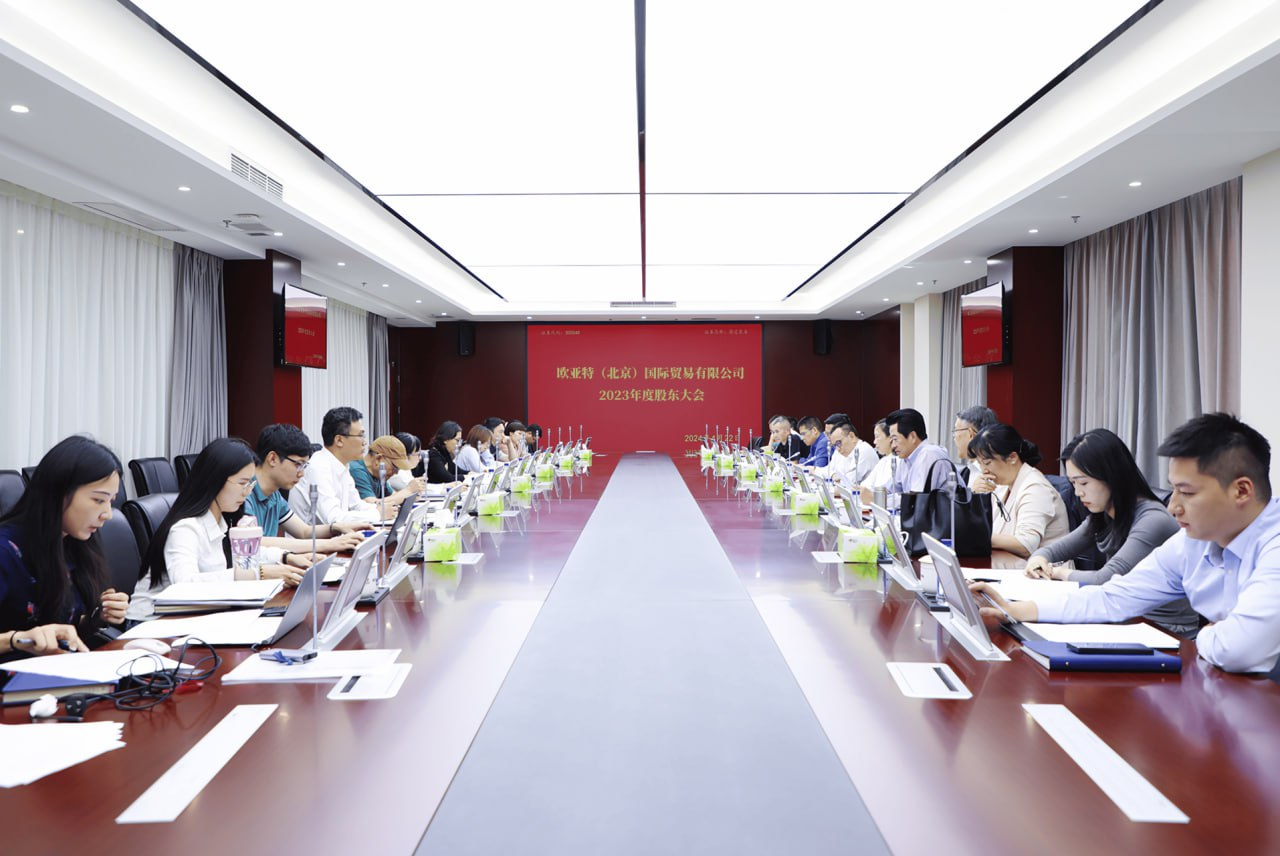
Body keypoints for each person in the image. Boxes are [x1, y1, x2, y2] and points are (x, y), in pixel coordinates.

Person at [974, 413, 1280, 674]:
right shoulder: (1192, 542)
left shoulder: (1272, 547)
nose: (1173, 506)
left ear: (1241, 491)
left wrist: (1205, 636)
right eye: (1173, 489)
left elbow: (1240, 650)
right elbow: (1112, 596)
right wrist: (1014, 610)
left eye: (1187, 492)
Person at [1023, 428, 1198, 637]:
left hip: (1166, 630)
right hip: (1126, 618)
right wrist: (1039, 560)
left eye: (1084, 483)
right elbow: (1050, 551)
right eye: (1073, 483)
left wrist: (1057, 572)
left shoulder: (1153, 520)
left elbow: (1105, 579)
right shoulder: (1102, 516)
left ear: (1111, 476)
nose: (1078, 492)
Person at [130, 438, 302, 621]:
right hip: (152, 624)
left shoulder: (222, 520)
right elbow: (185, 586)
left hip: (194, 616)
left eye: (250, 484)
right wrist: (258, 573)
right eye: (242, 483)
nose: (247, 492)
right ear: (216, 480)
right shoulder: (186, 529)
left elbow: (244, 554)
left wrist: (286, 557)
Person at [0, 436, 128, 656]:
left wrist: (99, 615)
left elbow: (62, 624)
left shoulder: (74, 542)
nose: (107, 513)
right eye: (99, 500)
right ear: (59, 493)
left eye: (111, 501)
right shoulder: (6, 551)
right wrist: (17, 639)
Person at [242, 424, 366, 556]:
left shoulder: (274, 495)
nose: (301, 474)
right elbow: (255, 541)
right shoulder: (244, 492)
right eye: (298, 464)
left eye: (304, 466)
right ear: (272, 459)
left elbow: (303, 531)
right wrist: (329, 544)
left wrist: (335, 528)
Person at [967, 423, 1071, 558]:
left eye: (987, 463)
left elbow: (1025, 544)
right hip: (1010, 564)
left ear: (1012, 457)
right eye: (980, 464)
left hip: (1044, 568)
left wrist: (977, 536)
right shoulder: (1002, 485)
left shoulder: (1036, 488)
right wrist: (973, 496)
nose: (984, 470)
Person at [289, 406, 382, 526]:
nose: (365, 442)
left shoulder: (343, 466)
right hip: (313, 537)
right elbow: (333, 518)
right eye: (360, 436)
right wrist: (377, 514)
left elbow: (356, 505)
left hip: (337, 536)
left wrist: (381, 509)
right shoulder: (318, 467)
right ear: (339, 440)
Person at [885, 408, 950, 493]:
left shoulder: (929, 454)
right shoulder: (906, 458)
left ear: (912, 436)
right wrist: (875, 495)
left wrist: (880, 497)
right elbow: (890, 490)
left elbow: (916, 497)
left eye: (895, 439)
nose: (893, 446)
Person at [350, 435, 426, 504]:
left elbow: (393, 497)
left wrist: (412, 494)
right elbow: (371, 505)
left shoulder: (378, 475)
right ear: (379, 459)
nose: (396, 472)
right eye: (395, 466)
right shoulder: (356, 471)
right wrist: (408, 490)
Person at [953, 405, 999, 493]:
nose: (954, 437)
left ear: (970, 434)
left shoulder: (997, 473)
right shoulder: (965, 473)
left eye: (956, 431)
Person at [858, 419, 894, 492]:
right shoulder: (883, 461)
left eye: (877, 436)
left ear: (890, 437)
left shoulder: (899, 461)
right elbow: (865, 485)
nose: (874, 442)